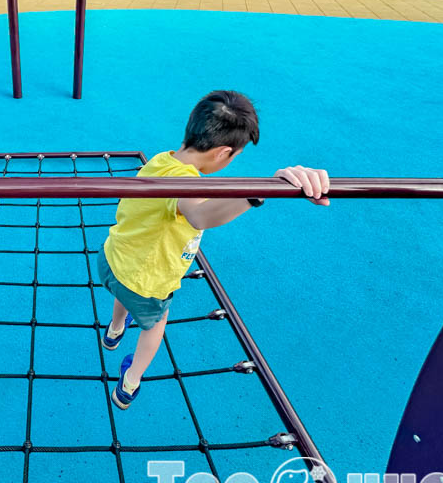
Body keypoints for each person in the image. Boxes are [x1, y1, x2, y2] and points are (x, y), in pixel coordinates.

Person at [98, 91, 330, 410]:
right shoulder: (184, 184)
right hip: (147, 283)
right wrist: (258, 193)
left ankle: (113, 330)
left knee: (122, 292)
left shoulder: (161, 160)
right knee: (154, 326)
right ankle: (129, 383)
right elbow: (200, 214)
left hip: (111, 261)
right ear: (224, 154)